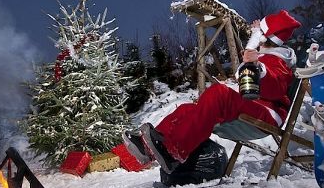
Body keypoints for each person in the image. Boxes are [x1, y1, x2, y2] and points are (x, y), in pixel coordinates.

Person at [123, 10, 302, 174]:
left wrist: (259, 68)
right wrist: (257, 35)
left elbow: (275, 86)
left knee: (219, 93)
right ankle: (148, 148)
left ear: (266, 38)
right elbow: (251, 56)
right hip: (251, 105)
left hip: (267, 114)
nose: (255, 34)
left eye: (260, 32)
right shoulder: (263, 55)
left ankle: (175, 150)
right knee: (187, 109)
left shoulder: (279, 60)